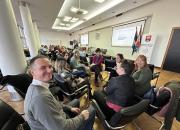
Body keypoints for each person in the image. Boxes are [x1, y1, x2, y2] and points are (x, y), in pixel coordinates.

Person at [24, 55, 95, 130]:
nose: (49, 70)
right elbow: (62, 128)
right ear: (32, 72)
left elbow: (54, 103)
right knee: (91, 111)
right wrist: (82, 116)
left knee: (76, 101)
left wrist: (69, 108)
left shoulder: (39, 86)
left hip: (60, 118)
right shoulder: (40, 98)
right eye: (43, 68)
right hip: (61, 126)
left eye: (50, 66)